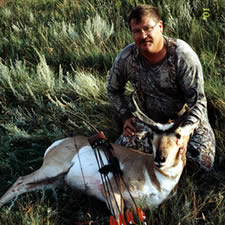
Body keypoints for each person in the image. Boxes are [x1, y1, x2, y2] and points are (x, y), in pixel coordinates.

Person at [107, 4, 215, 171]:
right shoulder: (126, 58)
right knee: (118, 157)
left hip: (183, 122)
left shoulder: (182, 56)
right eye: (136, 31)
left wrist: (184, 134)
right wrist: (125, 116)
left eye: (147, 29)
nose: (143, 36)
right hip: (149, 122)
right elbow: (113, 90)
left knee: (201, 162)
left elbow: (198, 102)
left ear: (160, 27)